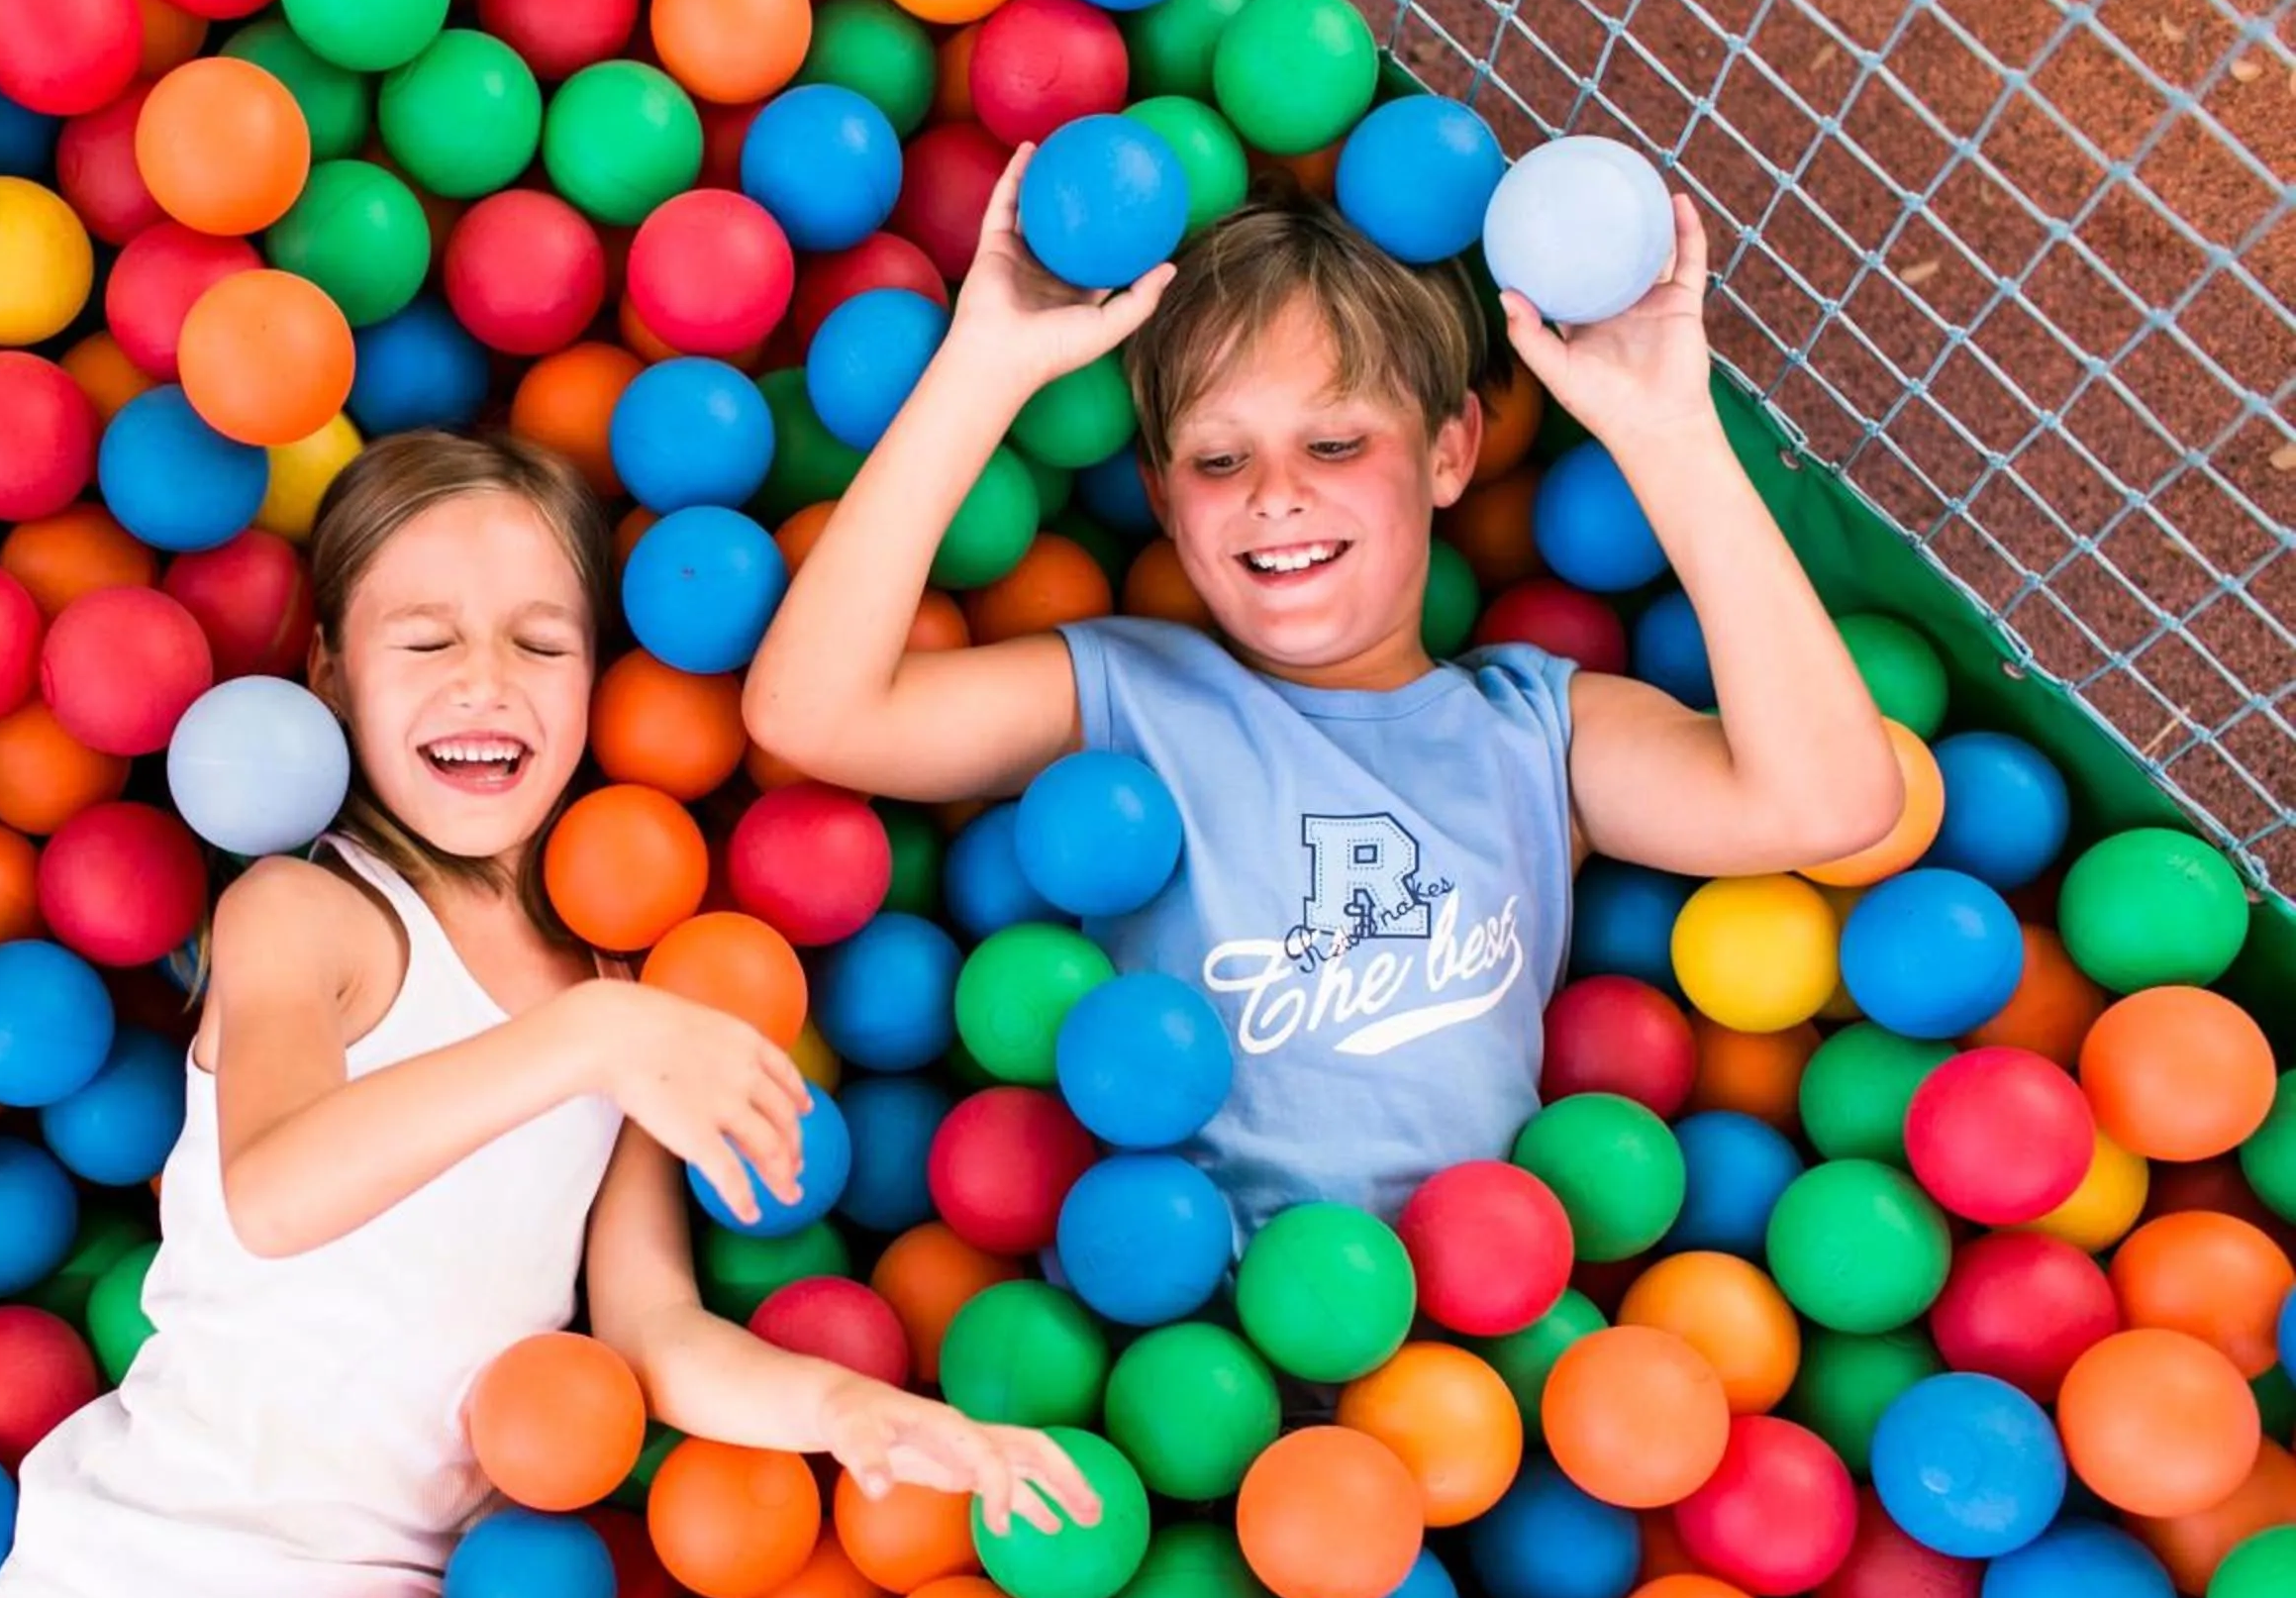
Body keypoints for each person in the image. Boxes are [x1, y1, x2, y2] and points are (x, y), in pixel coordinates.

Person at [0, 430, 1102, 1598]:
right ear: (332, 675)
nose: (484, 681)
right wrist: (590, 1038)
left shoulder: (618, 994)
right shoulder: (312, 916)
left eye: (541, 642)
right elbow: (276, 1188)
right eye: (425, 640)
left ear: (597, 681)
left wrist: (856, 1414)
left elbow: (651, 1331)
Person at [745, 148, 1904, 1241]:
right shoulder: (1130, 696)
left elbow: (1831, 802)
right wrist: (982, 371)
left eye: (1337, 444)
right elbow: (814, 714)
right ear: (1160, 496)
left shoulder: (1535, 733)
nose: (1276, 493)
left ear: (1449, 451)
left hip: (1460, 1343)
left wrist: (1669, 432)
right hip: (1167, 1316)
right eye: (1219, 458)